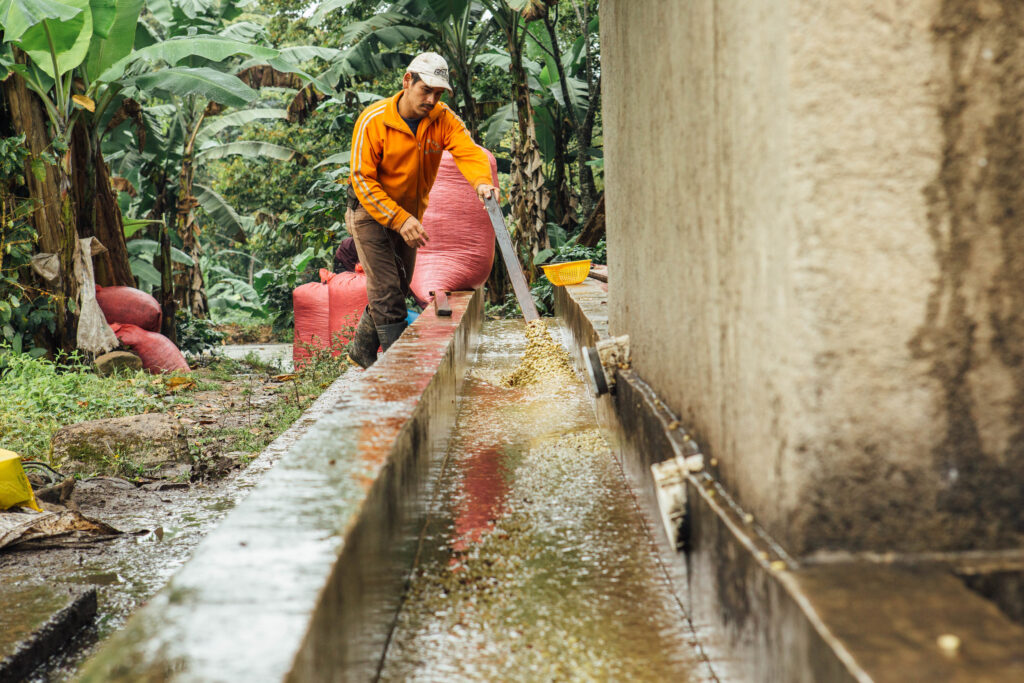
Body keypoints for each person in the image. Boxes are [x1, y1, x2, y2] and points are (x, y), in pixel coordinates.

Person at [345, 52, 499, 368]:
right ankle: (400, 372)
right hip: (369, 210)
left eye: (438, 94)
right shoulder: (373, 121)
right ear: (407, 81)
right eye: (425, 90)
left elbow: (469, 153)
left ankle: (361, 351)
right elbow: (362, 180)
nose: (431, 99)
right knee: (387, 293)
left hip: (409, 214)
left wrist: (483, 183)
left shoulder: (443, 120)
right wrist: (399, 220)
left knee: (400, 286)